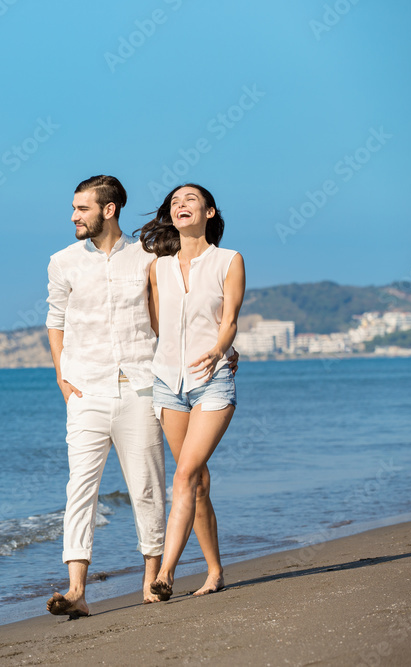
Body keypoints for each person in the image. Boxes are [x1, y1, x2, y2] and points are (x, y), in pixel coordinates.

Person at [45, 175, 167, 618]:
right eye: (75, 208)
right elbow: (55, 320)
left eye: (82, 208)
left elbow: (165, 316)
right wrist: (62, 377)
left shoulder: (148, 256)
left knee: (147, 485)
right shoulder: (62, 262)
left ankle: (152, 577)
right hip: (85, 389)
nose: (74, 216)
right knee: (81, 488)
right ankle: (76, 590)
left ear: (108, 210)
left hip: (139, 385)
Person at [141, 183, 245, 601]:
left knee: (183, 474)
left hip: (213, 380)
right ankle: (215, 570)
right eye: (175, 202)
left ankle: (164, 574)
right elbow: (156, 325)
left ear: (210, 212)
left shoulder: (228, 261)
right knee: (197, 480)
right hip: (167, 384)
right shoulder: (157, 267)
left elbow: (229, 320)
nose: (181, 205)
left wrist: (222, 349)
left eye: (191, 200)